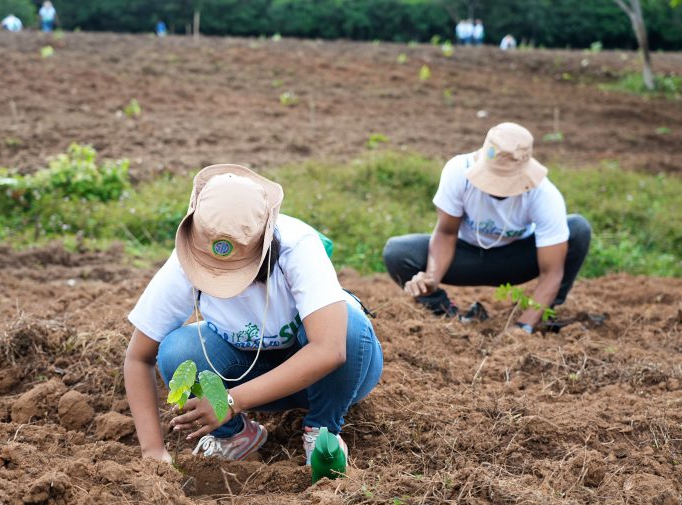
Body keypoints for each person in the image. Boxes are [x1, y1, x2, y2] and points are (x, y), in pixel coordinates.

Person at [125, 164, 383, 465]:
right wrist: (153, 453)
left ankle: (323, 430)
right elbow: (138, 358)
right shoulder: (186, 259)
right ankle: (236, 437)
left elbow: (331, 349)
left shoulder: (297, 247)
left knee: (347, 327)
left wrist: (231, 401)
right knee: (177, 350)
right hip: (256, 376)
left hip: (333, 378)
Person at [383, 122, 591, 335]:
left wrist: (522, 328)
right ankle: (446, 313)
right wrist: (431, 278)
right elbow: (446, 233)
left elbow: (551, 271)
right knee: (398, 252)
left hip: (517, 260)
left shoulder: (543, 195)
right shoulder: (458, 172)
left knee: (577, 229)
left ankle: (543, 313)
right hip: (464, 257)